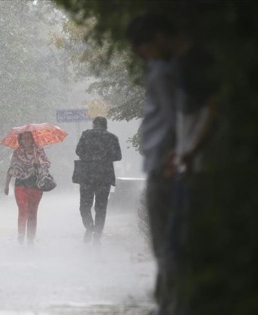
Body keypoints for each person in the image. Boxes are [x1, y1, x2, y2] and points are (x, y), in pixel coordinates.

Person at [126, 14, 179, 315]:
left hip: (164, 165)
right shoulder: (168, 69)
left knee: (166, 241)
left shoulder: (162, 73)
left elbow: (175, 119)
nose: (137, 54)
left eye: (138, 47)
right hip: (164, 164)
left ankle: (171, 301)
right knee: (167, 240)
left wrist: (178, 152)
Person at [74, 116, 122, 245]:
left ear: (94, 124)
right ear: (105, 125)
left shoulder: (86, 135)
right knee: (101, 207)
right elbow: (118, 156)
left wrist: (90, 157)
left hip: (86, 176)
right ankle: (98, 234)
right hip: (104, 177)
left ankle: (90, 227)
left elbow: (78, 151)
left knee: (84, 206)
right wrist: (104, 157)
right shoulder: (112, 137)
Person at [4, 131, 51, 245]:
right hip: (20, 184)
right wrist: (6, 185)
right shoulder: (17, 153)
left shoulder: (39, 151)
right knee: (22, 209)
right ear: (20, 140)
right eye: (24, 138)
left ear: (32, 139)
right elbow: (11, 168)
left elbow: (47, 164)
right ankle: (21, 234)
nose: (26, 140)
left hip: (35, 185)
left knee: (32, 212)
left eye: (29, 138)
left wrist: (38, 162)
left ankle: (30, 238)